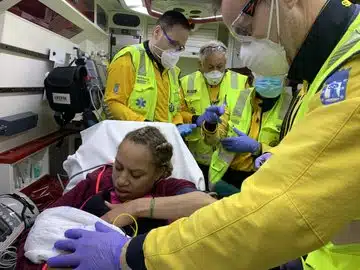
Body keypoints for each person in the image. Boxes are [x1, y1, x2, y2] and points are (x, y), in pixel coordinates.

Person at [47, 0, 360, 269]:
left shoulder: (349, 79)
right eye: (119, 168)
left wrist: (132, 252)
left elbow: (270, 210)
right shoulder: (332, 71)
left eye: (247, 29)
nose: (247, 50)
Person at [18, 126, 215, 270]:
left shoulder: (169, 189)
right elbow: (42, 226)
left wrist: (135, 207)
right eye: (118, 167)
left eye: (135, 175)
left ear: (158, 173)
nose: (121, 180)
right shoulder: (95, 183)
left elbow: (209, 206)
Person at [102, 11, 196, 137]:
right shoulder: (129, 58)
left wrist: (177, 125)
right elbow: (112, 104)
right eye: (173, 43)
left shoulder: (173, 71)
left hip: (160, 143)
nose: (175, 52)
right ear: (157, 32)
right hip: (130, 141)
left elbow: (175, 110)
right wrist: (147, 127)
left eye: (180, 48)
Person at [202, 70, 292, 190]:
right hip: (225, 175)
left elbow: (293, 152)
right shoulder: (237, 96)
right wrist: (210, 124)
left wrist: (259, 148)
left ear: (285, 77)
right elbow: (213, 141)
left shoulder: (291, 104)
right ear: (254, 73)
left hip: (263, 180)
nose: (268, 80)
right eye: (264, 73)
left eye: (275, 74)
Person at [180, 40, 249, 189]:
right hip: (197, 159)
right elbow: (177, 112)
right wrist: (195, 119)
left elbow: (248, 114)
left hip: (229, 160)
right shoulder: (186, 82)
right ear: (200, 65)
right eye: (210, 67)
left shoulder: (242, 82)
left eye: (220, 67)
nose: (215, 71)